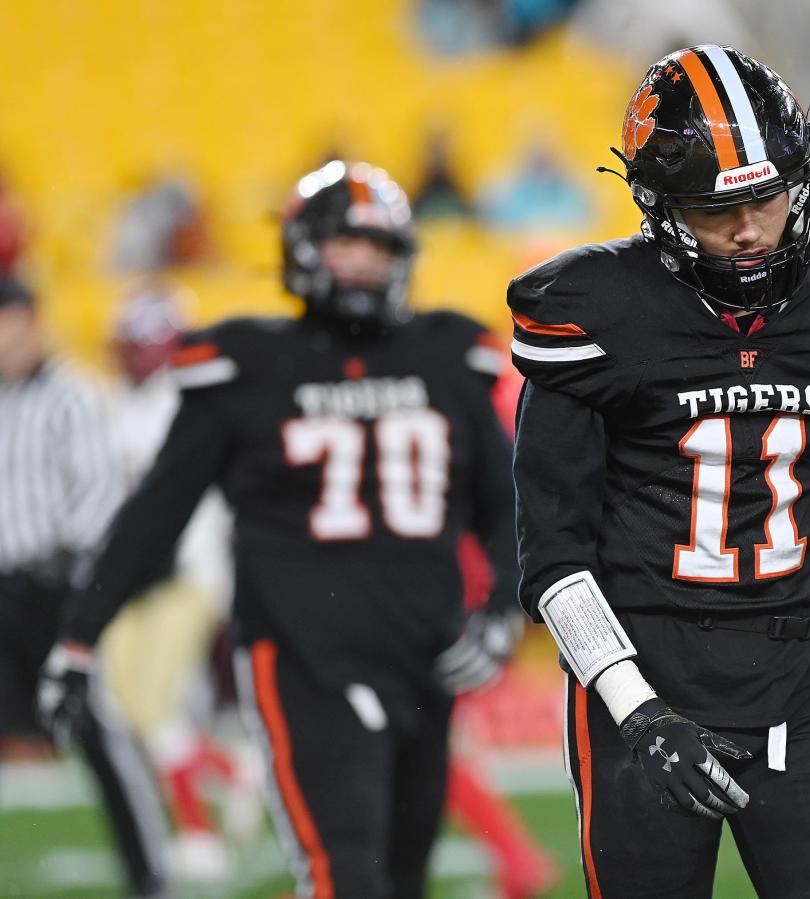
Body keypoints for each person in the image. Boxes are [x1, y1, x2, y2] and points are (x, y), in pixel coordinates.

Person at [508, 45, 810, 897]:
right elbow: (552, 558)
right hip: (648, 675)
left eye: (765, 196)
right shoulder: (592, 314)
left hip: (807, 675)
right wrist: (637, 708)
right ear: (661, 207)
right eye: (715, 209)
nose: (751, 227)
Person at [40, 160, 523, 898]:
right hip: (302, 656)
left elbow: (512, 503)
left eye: (380, 246)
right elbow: (156, 513)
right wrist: (81, 633)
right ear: (303, 249)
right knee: (343, 873)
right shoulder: (244, 363)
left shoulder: (449, 353)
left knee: (400, 878)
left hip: (426, 651)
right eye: (345, 243)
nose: (364, 261)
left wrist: (500, 613)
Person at [0, 275, 170, 897]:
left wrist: (79, 582)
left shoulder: (73, 395)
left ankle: (150, 874)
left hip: (54, 584)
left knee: (99, 732)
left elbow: (99, 497)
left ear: (30, 321)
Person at [101, 279, 246, 881]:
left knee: (153, 708)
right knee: (121, 707)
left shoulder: (180, 402)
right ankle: (235, 776)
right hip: (141, 576)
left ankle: (197, 828)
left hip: (188, 572)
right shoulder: (129, 404)